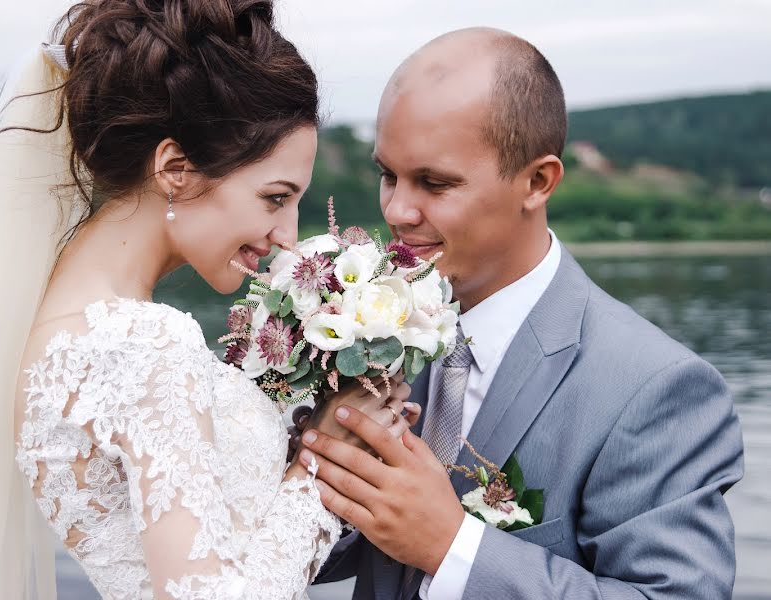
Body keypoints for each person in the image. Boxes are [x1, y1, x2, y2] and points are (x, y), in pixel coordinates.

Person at [0, 2, 416, 599]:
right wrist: (321, 464)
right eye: (273, 197)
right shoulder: (141, 346)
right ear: (175, 169)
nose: (288, 234)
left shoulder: (58, 326)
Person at [294, 27, 745, 599]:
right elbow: (313, 551)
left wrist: (451, 546)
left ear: (538, 182)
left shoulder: (656, 389)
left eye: (434, 182)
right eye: (388, 175)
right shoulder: (368, 337)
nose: (398, 210)